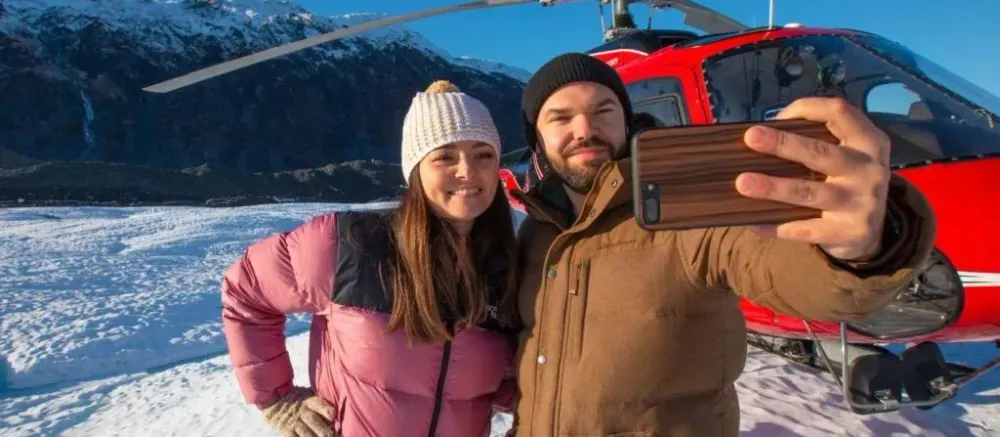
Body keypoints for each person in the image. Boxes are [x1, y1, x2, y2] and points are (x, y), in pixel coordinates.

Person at [505, 53, 936, 436]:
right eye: (560, 118)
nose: (585, 130)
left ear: (627, 120)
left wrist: (859, 247)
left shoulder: (690, 213)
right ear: (537, 138)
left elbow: (778, 265)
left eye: (603, 110)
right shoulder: (536, 234)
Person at [220, 80, 522, 437]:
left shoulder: (507, 265)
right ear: (416, 169)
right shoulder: (351, 245)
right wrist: (277, 399)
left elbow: (500, 384)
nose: (467, 170)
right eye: (445, 156)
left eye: (483, 154)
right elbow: (246, 290)